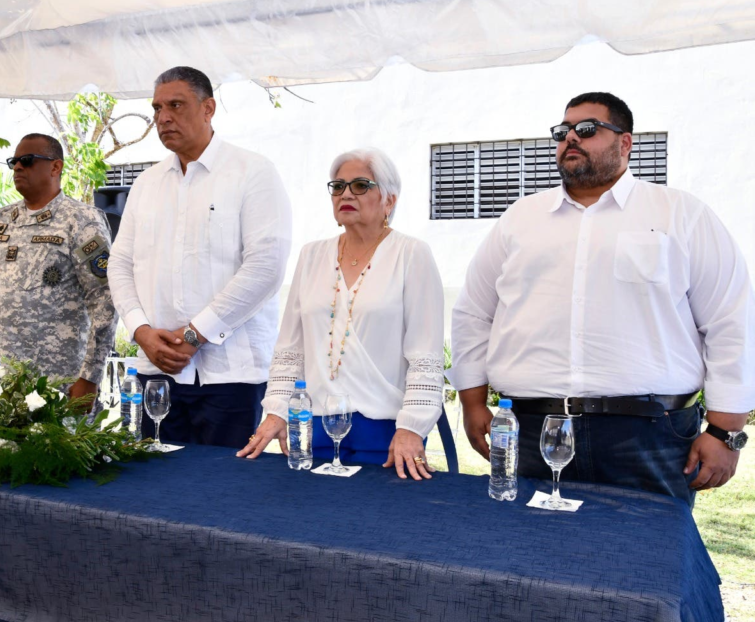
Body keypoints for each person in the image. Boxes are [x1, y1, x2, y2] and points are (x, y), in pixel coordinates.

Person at [449, 92, 754, 505]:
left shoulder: (679, 213)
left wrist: (724, 430)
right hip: (532, 428)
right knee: (527, 557)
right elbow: (473, 313)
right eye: (563, 131)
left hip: (649, 434)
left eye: (587, 129)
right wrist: (471, 403)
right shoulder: (519, 219)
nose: (570, 138)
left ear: (625, 143)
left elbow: (731, 318)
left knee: (645, 558)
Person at [107, 66, 292, 448]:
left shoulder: (252, 172)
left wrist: (195, 334)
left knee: (223, 496)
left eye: (176, 105)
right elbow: (120, 264)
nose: (164, 117)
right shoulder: (146, 184)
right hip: (156, 373)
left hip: (231, 375)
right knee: (153, 492)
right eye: (157, 108)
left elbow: (265, 268)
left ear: (208, 108)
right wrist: (141, 333)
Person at [237, 149, 447, 477]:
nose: (346, 193)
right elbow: (290, 350)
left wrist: (413, 427)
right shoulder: (311, 255)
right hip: (312, 427)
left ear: (389, 200)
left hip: (385, 433)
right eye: (338, 186)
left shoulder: (411, 254)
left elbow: (425, 355)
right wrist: (277, 411)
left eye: (361, 185)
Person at [0, 133, 116, 398]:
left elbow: (105, 301)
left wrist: (90, 375)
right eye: (14, 161)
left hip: (59, 383)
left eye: (27, 160)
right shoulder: (1, 219)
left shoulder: (81, 221)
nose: (18, 167)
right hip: (4, 383)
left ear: (56, 167)